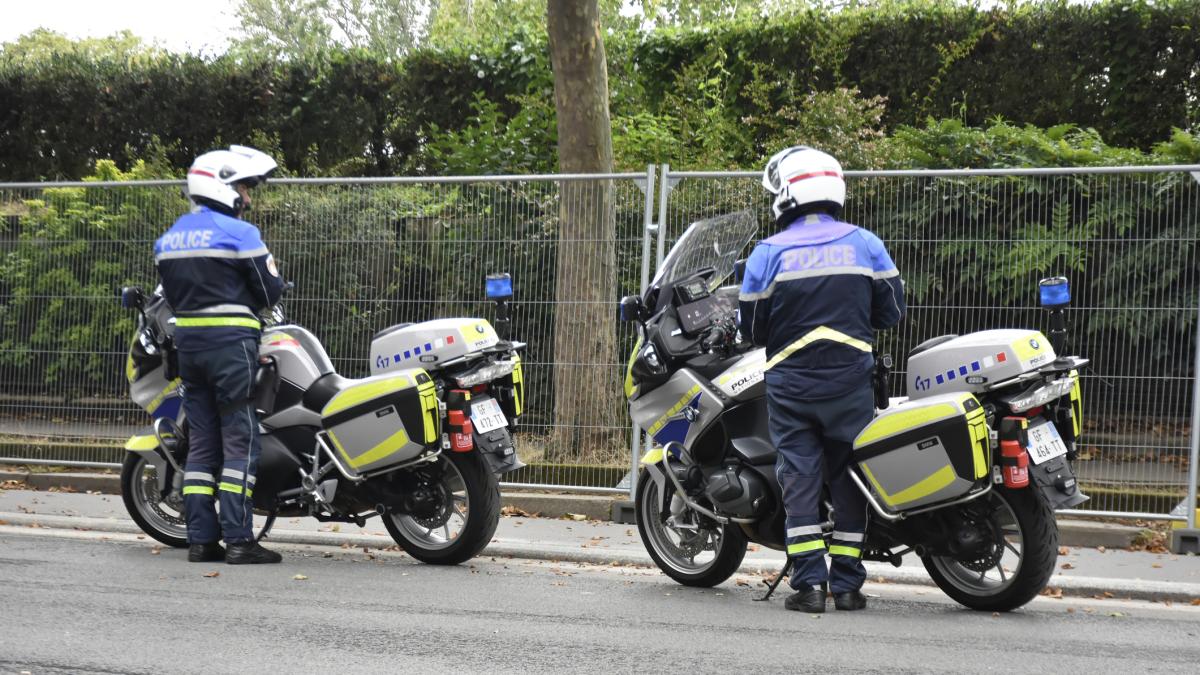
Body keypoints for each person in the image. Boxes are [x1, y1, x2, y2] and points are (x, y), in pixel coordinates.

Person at [739, 146, 905, 612]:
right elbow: (890, 312)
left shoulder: (768, 253)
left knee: (800, 480)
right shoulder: (866, 243)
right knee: (850, 477)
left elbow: (750, 328)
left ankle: (809, 587)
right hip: (851, 382)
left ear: (788, 194)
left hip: (791, 385)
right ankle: (848, 586)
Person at [155, 145, 285, 564]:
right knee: (239, 441)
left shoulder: (170, 239)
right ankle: (240, 541)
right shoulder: (240, 234)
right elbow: (268, 293)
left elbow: (171, 298)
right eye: (244, 188)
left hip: (189, 348)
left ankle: (201, 541)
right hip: (231, 346)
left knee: (202, 444)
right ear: (222, 185)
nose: (248, 198)